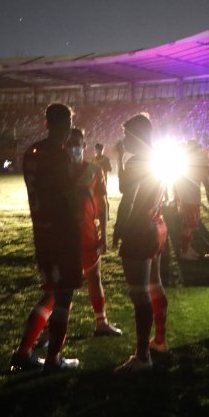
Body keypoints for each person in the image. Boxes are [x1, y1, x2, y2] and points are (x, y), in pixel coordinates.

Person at [10, 103, 81, 373]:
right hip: (61, 234)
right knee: (63, 297)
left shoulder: (31, 153)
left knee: (50, 294)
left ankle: (24, 352)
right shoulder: (59, 157)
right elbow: (70, 197)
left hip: (41, 231)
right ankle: (53, 359)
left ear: (46, 124)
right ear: (67, 125)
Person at [112, 113, 169, 374]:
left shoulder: (137, 161)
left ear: (136, 135)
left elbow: (127, 194)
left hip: (139, 230)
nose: (124, 139)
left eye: (127, 134)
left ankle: (143, 356)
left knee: (139, 292)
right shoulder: (158, 157)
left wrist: (119, 228)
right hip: (156, 224)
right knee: (154, 284)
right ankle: (159, 339)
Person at [66, 128, 122, 337]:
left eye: (76, 144)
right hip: (63, 238)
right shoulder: (57, 172)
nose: (73, 148)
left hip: (88, 234)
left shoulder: (93, 171)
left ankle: (101, 322)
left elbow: (104, 204)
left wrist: (104, 235)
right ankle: (48, 332)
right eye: (69, 144)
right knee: (61, 286)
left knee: (94, 277)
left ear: (84, 146)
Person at [176, 139, 207, 260]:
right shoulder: (187, 162)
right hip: (189, 198)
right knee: (188, 226)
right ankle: (185, 251)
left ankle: (188, 248)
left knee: (190, 225)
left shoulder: (190, 161)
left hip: (192, 197)